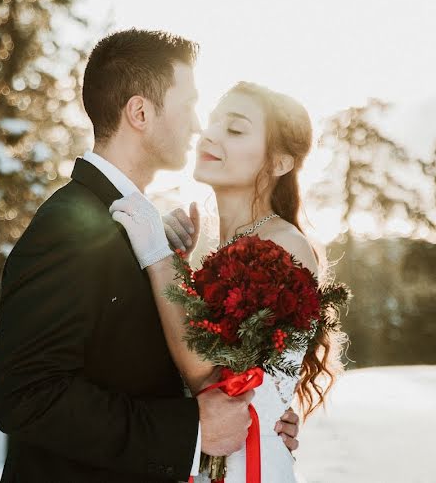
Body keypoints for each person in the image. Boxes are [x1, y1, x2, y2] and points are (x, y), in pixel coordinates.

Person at [0, 30, 300, 482]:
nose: (199, 127)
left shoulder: (138, 227)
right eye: (190, 104)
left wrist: (261, 417)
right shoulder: (70, 225)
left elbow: (141, 368)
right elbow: (29, 397)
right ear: (140, 112)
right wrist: (191, 431)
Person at [111, 81, 346, 482]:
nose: (211, 134)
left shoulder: (283, 245)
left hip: (243, 469)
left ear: (279, 164)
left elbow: (213, 375)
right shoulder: (224, 249)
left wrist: (156, 256)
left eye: (235, 130)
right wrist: (178, 271)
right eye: (214, 122)